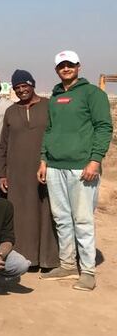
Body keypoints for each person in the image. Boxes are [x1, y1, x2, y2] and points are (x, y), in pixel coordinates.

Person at [38, 50, 113, 291]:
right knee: (61, 219)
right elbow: (49, 130)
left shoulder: (93, 94)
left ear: (79, 66)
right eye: (62, 66)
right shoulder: (56, 96)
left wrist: (95, 160)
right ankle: (68, 264)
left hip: (82, 168)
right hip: (55, 167)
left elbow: (104, 127)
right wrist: (43, 159)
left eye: (70, 65)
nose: (66, 69)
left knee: (82, 220)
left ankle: (88, 271)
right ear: (56, 69)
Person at [0, 70, 58, 270]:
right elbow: (4, 143)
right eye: (17, 87)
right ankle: (24, 258)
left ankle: (48, 259)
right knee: (20, 215)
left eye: (25, 86)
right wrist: (1, 173)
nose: (22, 90)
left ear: (33, 85)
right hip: (17, 173)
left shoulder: (49, 106)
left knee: (46, 213)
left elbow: (57, 135)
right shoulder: (11, 111)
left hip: (44, 169)